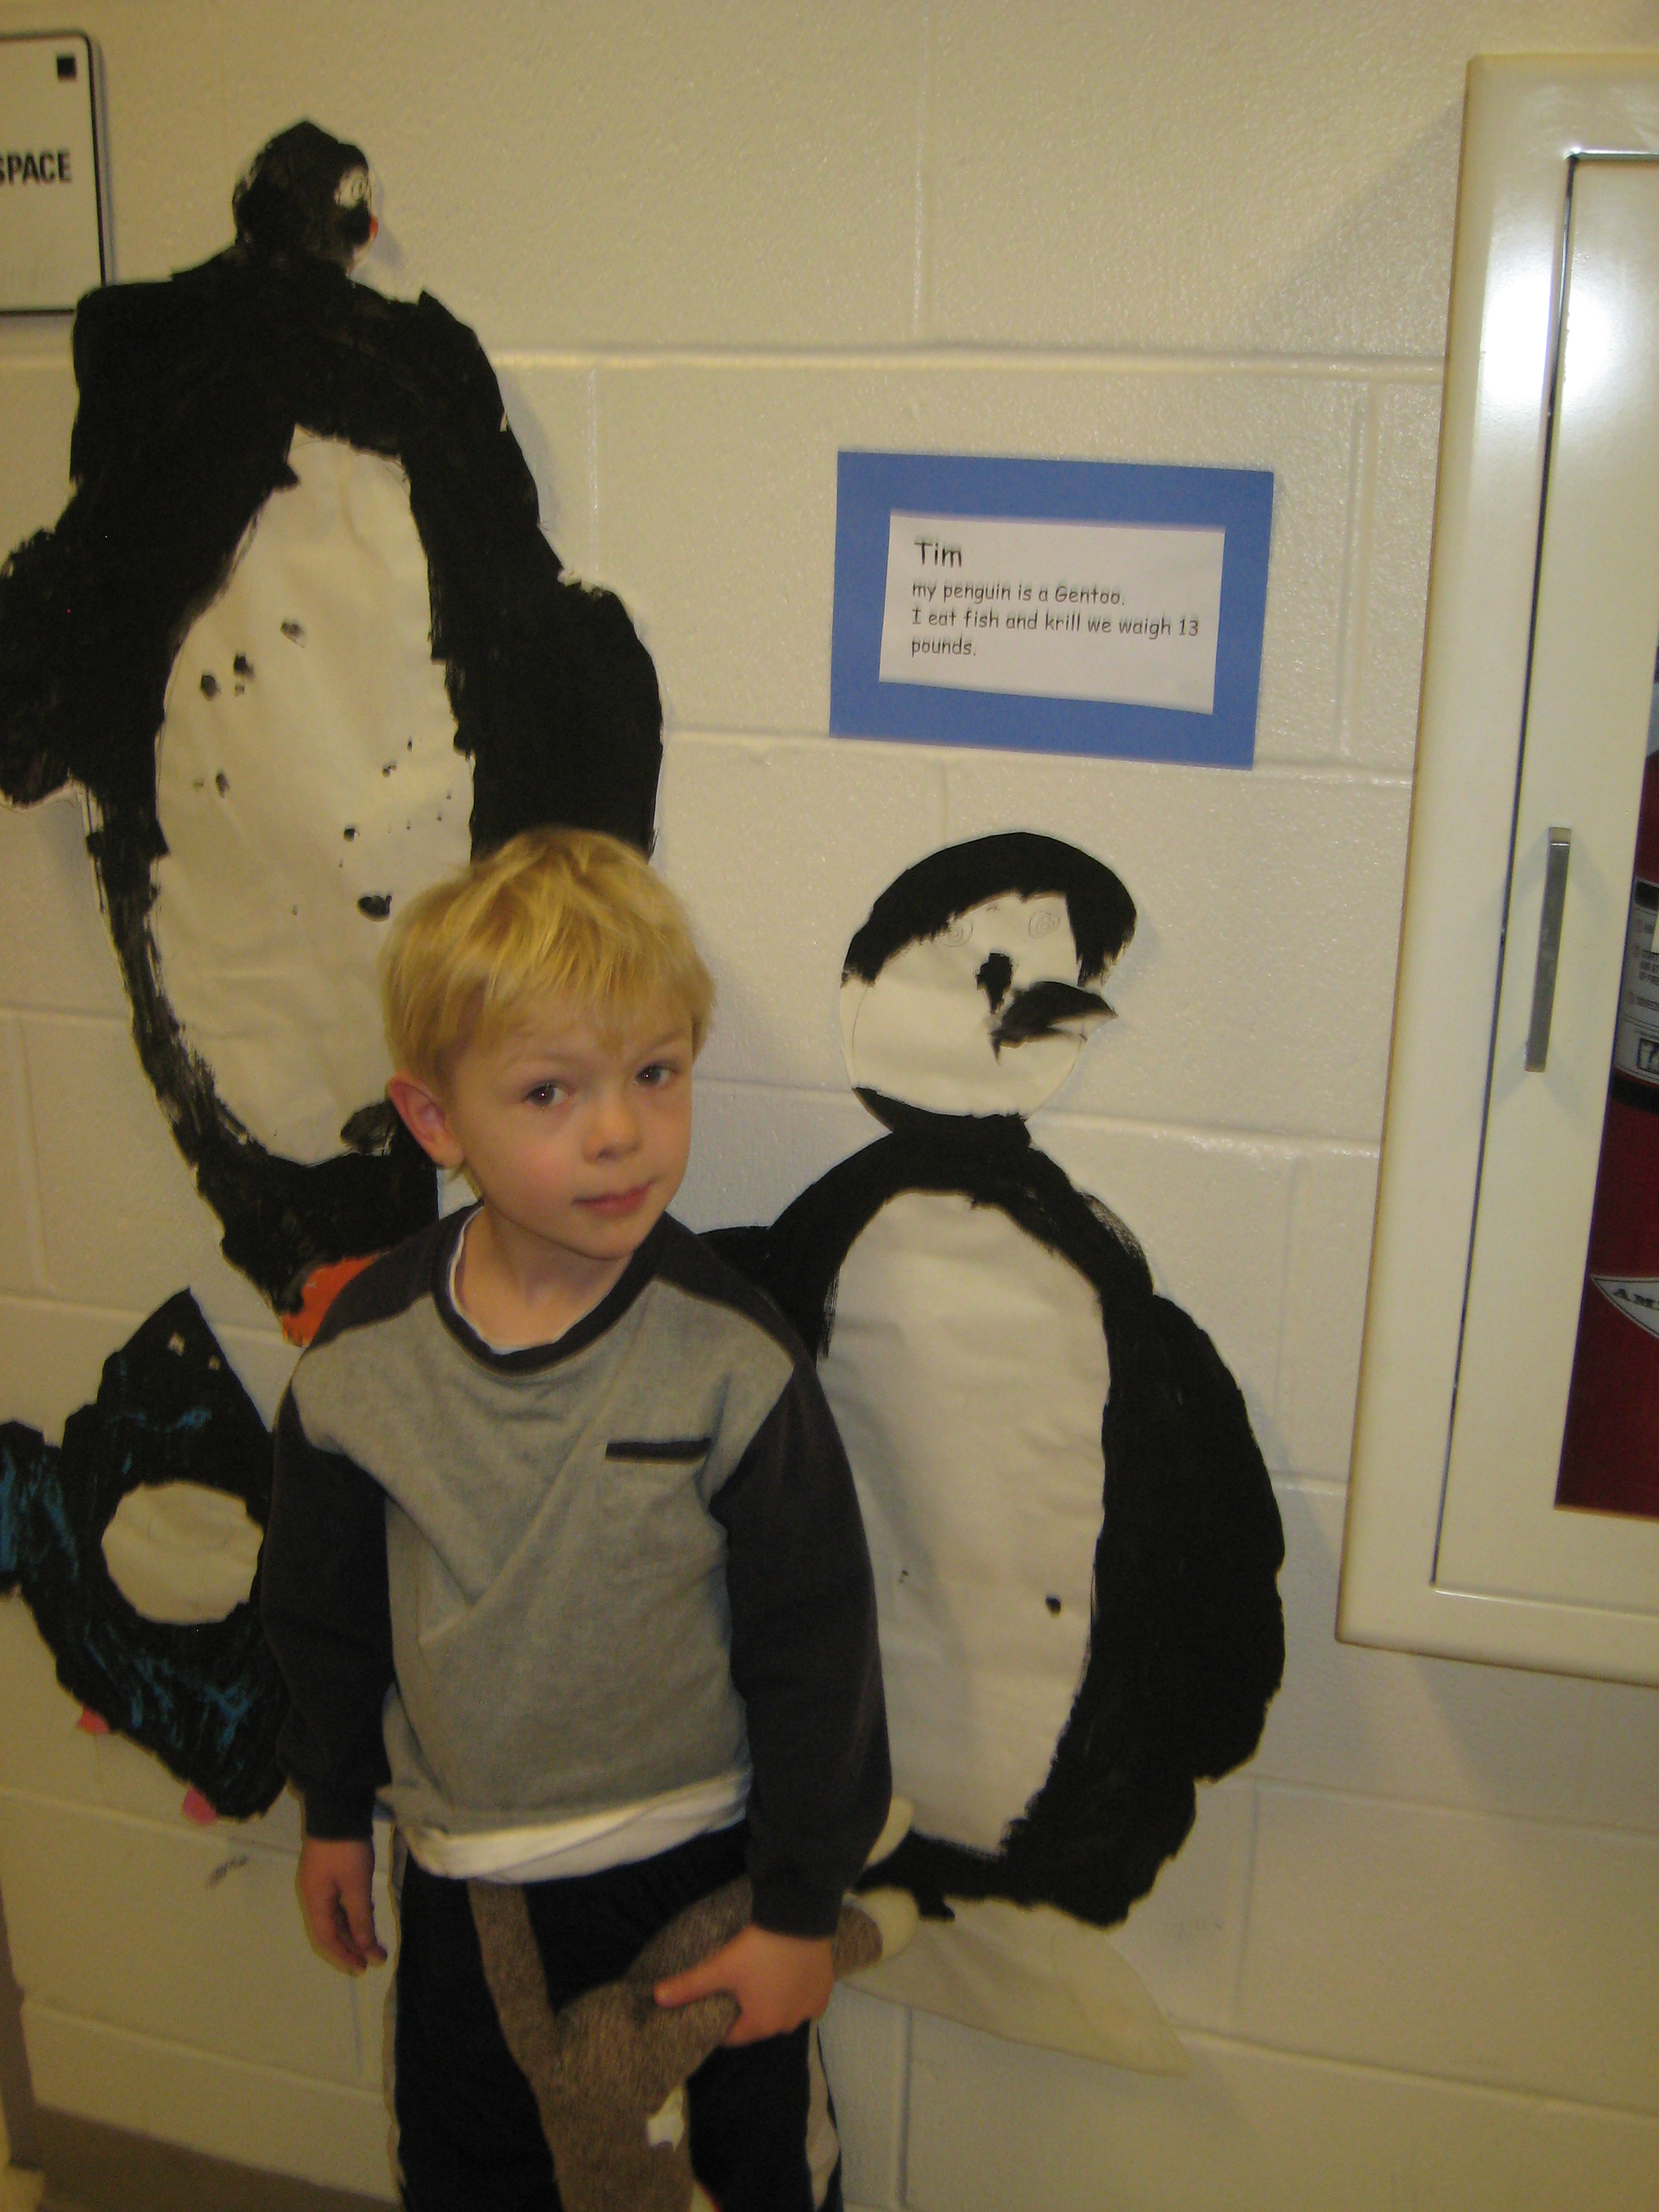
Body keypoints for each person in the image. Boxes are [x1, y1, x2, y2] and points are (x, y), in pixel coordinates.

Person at [261, 826, 891, 2211]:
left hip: (707, 1888)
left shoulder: (730, 1358)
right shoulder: (362, 1362)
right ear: (437, 1121)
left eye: (655, 1074)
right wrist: (332, 1810)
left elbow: (820, 1650)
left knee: (744, 2186)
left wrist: (800, 1910)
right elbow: (323, 1610)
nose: (619, 1132)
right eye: (550, 1091)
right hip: (468, 1901)